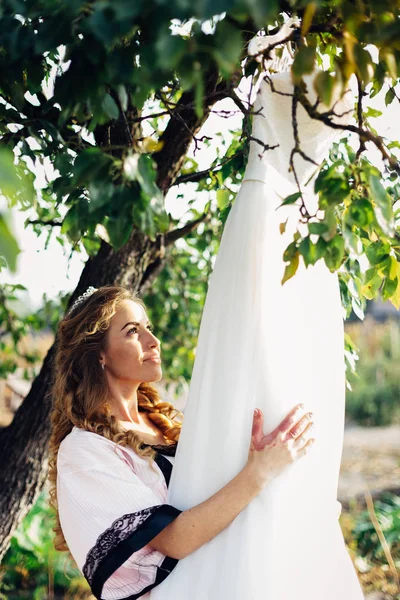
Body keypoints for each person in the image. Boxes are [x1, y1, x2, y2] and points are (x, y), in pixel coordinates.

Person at [48, 284, 315, 600]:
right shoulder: (85, 450)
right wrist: (259, 473)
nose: (153, 341)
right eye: (133, 332)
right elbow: (173, 539)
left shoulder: (168, 424)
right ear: (99, 355)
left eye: (148, 328)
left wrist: (253, 456)